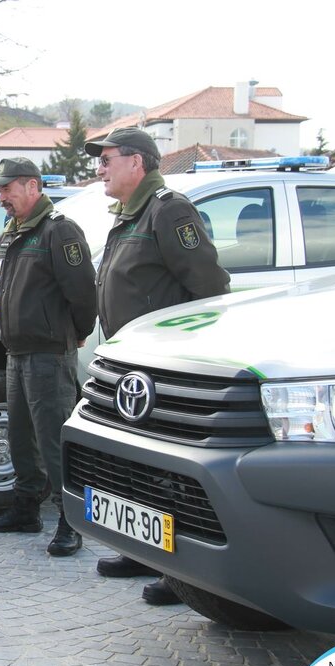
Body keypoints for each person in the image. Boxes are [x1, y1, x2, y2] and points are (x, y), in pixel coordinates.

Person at [85, 126, 230, 605]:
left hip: (165, 367)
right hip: (132, 366)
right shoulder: (130, 213)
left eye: (107, 160)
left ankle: (181, 572)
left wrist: (186, 352)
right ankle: (143, 549)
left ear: (137, 163)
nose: (99, 168)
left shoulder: (169, 210)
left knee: (167, 471)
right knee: (134, 466)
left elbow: (208, 285)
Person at [0, 157, 97, 558]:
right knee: (21, 439)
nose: (2, 197)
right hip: (18, 352)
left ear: (32, 186)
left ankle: (71, 521)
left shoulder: (58, 231)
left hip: (48, 354)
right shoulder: (16, 232)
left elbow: (83, 294)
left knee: (54, 441)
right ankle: (26, 509)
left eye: (7, 188)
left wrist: (74, 335)